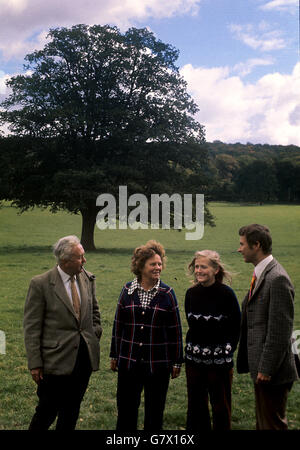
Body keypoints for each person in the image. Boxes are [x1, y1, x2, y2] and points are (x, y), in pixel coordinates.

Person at [24, 235, 102, 430]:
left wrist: (93, 334)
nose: (84, 260)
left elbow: (95, 312)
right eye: (80, 257)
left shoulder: (87, 278)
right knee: (46, 411)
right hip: (54, 362)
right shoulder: (40, 284)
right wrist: (35, 363)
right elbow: (32, 327)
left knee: (71, 411)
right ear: (65, 261)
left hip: (82, 360)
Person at [110, 240, 183, 431]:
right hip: (129, 362)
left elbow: (176, 330)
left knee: (155, 412)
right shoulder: (127, 291)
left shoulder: (167, 293)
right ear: (141, 266)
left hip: (158, 364)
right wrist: (114, 354)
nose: (158, 267)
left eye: (160, 264)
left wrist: (177, 361)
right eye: (153, 264)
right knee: (126, 410)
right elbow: (118, 325)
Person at [237, 224, 298, 430]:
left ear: (256, 245)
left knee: (271, 425)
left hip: (272, 371)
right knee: (264, 424)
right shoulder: (263, 273)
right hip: (263, 368)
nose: (239, 249)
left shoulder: (277, 278)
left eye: (242, 244)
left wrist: (266, 368)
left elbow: (280, 331)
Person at [184, 250, 241, 431]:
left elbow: (236, 326)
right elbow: (191, 323)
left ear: (216, 270)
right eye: (197, 267)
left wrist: (226, 351)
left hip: (220, 363)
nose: (199, 271)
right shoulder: (191, 293)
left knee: (220, 406)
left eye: (204, 267)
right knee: (196, 407)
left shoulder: (227, 294)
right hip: (194, 361)